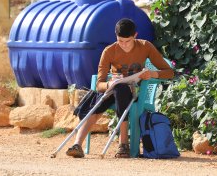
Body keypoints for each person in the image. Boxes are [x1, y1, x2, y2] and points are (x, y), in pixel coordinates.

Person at [66, 18, 174, 158]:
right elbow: (99, 85)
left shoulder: (145, 46)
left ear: (135, 35)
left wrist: (152, 73)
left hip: (133, 91)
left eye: (127, 41)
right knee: (99, 99)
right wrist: (109, 84)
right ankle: (77, 145)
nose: (123, 45)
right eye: (119, 41)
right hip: (111, 90)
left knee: (121, 90)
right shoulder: (109, 51)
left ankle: (124, 144)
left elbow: (169, 72)